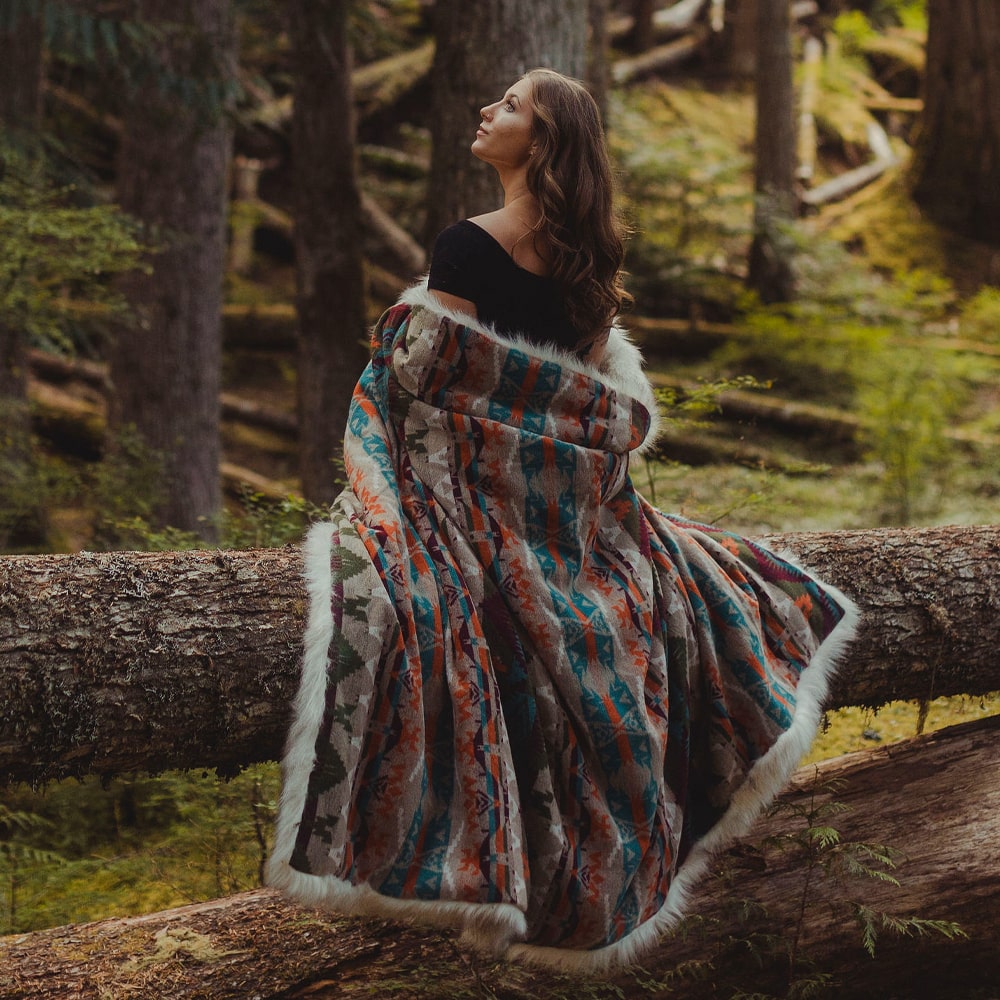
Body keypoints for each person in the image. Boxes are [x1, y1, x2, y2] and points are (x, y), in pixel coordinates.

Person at [267, 69, 859, 972]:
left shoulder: (464, 247)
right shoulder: (595, 266)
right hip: (563, 514)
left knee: (437, 603)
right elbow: (578, 410)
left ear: (541, 143)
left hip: (476, 499)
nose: (485, 111)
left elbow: (443, 397)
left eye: (509, 106)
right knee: (671, 589)